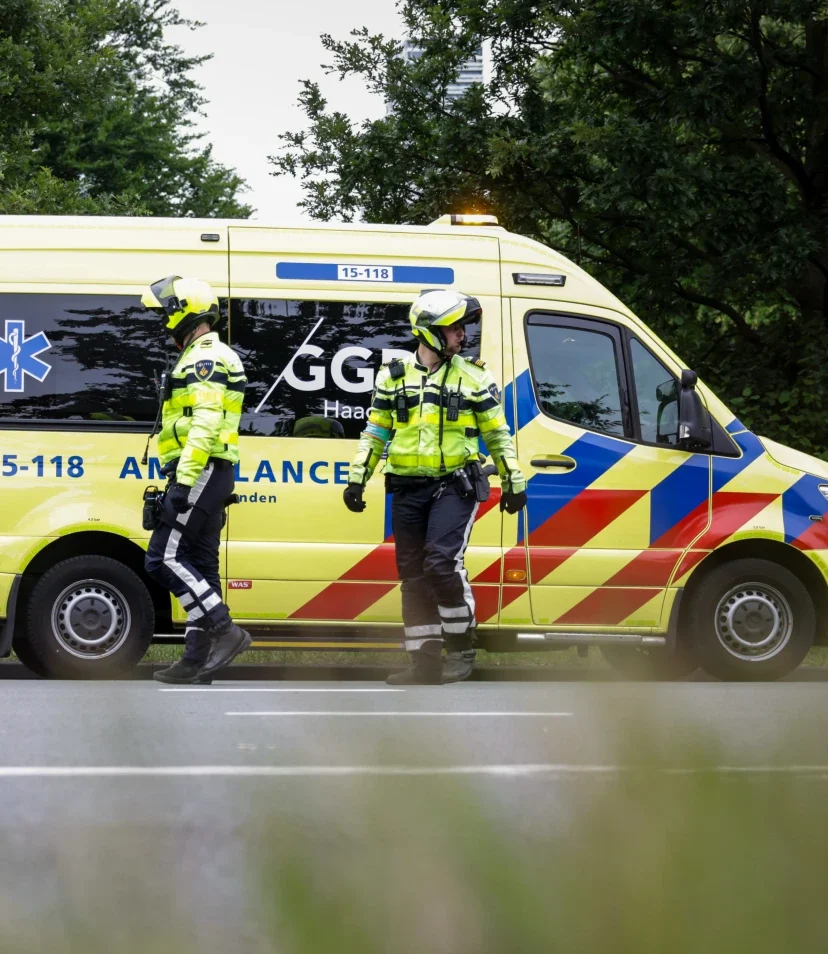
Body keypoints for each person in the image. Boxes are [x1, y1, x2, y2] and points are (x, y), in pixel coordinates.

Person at [343, 289, 527, 685]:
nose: (462, 335)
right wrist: (357, 477)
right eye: (453, 328)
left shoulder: (474, 376)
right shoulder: (393, 377)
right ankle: (423, 662)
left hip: (454, 487)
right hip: (408, 490)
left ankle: (461, 647)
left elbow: (497, 435)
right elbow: (375, 431)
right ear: (428, 333)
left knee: (441, 565)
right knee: (412, 576)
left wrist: (513, 480)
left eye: (462, 328)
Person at [141, 275, 251, 684]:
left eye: (164, 315)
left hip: (202, 470)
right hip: (209, 470)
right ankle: (196, 659)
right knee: (201, 564)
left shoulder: (206, 358)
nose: (162, 324)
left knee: (162, 558)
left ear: (181, 313)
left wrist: (184, 483)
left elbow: (205, 423)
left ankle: (226, 631)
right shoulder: (202, 355)